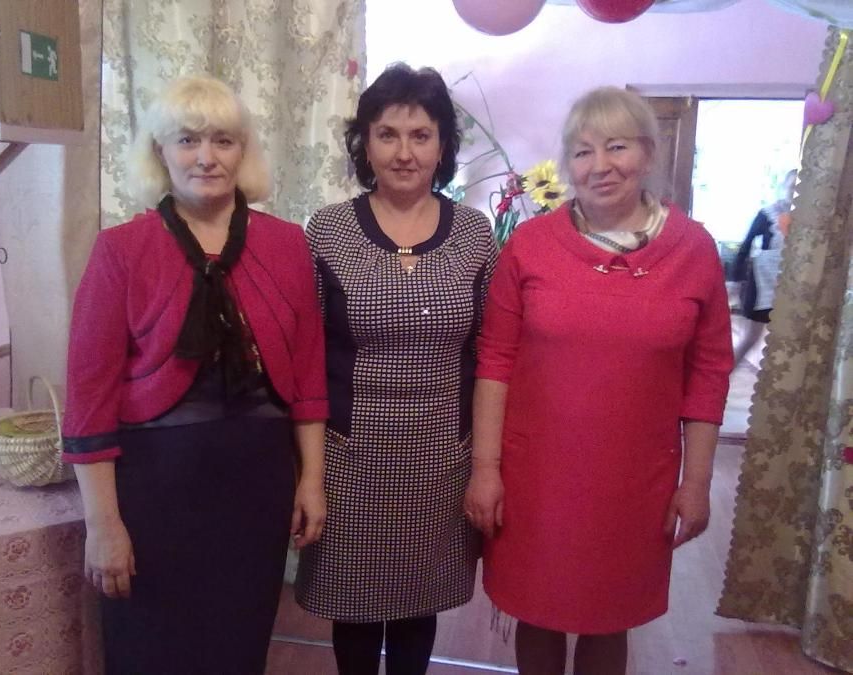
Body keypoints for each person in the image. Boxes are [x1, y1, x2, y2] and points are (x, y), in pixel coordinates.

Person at [61, 75, 328, 674]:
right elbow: (88, 397)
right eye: (187, 140)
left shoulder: (287, 245)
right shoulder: (120, 249)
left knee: (239, 648)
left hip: (257, 486)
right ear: (161, 151)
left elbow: (309, 372)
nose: (206, 157)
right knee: (150, 650)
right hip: (153, 492)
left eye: (222, 141)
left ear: (243, 151)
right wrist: (103, 525)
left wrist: (311, 480)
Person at [465, 86, 733, 675]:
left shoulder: (693, 250)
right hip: (537, 478)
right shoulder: (530, 246)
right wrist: (485, 470)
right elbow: (495, 360)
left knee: (610, 616)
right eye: (583, 152)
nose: (600, 165)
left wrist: (696, 482)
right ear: (568, 165)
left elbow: (709, 372)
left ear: (648, 152)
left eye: (617, 146)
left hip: (635, 481)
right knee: (536, 610)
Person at [294, 63, 498, 675]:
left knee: (417, 607)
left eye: (420, 135)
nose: (404, 152)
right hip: (349, 460)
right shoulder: (328, 230)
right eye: (387, 134)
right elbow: (306, 362)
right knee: (353, 610)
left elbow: (492, 354)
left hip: (441, 459)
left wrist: (486, 464)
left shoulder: (474, 233)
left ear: (442, 146)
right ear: (365, 143)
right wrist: (308, 475)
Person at [730, 169, 796, 369]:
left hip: (791, 283)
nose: (794, 191)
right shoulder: (768, 214)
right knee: (750, 338)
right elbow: (745, 247)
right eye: (791, 186)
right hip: (762, 283)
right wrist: (735, 280)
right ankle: (721, 379)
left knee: (786, 340)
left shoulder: (808, 220)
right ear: (783, 188)